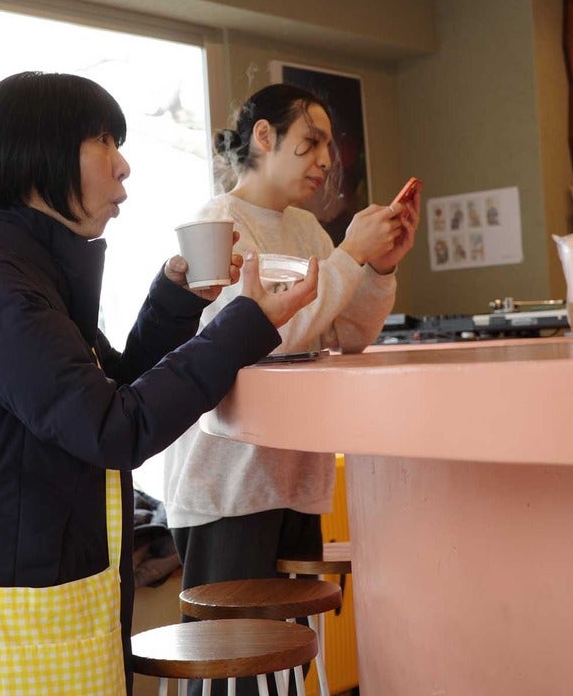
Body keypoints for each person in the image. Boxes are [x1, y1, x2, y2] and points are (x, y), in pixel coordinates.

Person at [0, 72, 320, 696]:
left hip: (44, 599)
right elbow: (115, 428)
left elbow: (113, 387)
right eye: (104, 142)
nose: (123, 166)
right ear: (40, 155)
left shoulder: (28, 269)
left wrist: (175, 299)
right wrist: (246, 323)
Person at [161, 83, 418, 696]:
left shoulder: (307, 231)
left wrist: (378, 267)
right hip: (226, 486)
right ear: (264, 137)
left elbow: (345, 332)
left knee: (284, 666)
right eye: (312, 141)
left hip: (293, 481)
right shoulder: (219, 225)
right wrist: (351, 254)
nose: (326, 160)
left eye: (329, 145)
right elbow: (268, 333)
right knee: (235, 674)